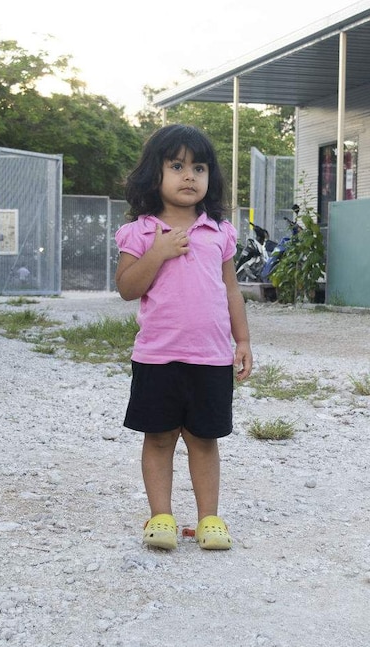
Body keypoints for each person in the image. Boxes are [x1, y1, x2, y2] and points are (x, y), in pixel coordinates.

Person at [114, 124, 253, 551]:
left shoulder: (219, 232)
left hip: (210, 357)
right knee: (158, 437)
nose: (189, 176)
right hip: (158, 357)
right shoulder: (140, 232)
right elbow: (127, 287)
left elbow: (231, 290)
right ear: (153, 175)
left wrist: (242, 341)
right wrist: (158, 252)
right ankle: (162, 518)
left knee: (204, 439)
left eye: (199, 167)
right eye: (176, 166)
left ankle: (209, 519)